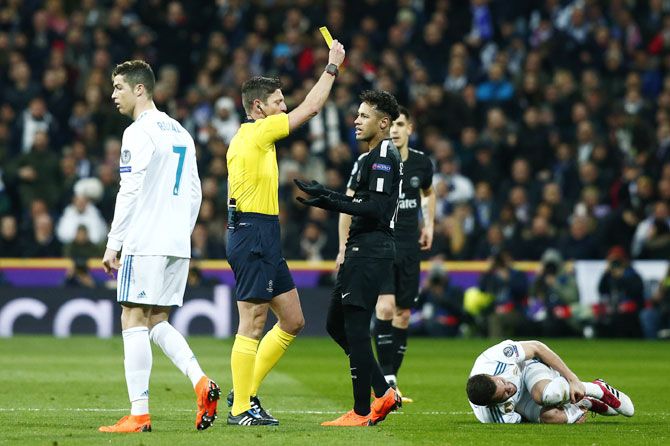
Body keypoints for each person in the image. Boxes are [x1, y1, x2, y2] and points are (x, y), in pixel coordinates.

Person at [224, 40, 346, 426]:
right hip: (251, 231)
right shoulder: (256, 133)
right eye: (278, 102)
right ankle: (241, 406)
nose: (284, 108)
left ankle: (242, 393)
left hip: (263, 232)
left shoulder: (253, 139)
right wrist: (331, 67)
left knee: (292, 319)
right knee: (253, 321)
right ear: (258, 107)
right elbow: (311, 109)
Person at [99, 60, 220, 433]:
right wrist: (180, 232)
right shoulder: (181, 131)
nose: (113, 94)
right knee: (156, 320)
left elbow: (130, 189)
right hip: (175, 241)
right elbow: (196, 192)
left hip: (146, 239)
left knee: (132, 319)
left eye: (118, 86)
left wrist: (114, 242)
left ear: (140, 89)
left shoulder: (139, 131)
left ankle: (139, 414)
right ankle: (201, 382)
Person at [295, 90, 403, 426]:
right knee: (335, 325)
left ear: (383, 123)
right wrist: (326, 194)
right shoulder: (371, 156)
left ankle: (360, 411)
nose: (355, 121)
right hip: (360, 249)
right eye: (356, 115)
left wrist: (328, 199)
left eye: (364, 116)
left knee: (356, 328)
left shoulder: (384, 152)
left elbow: (377, 208)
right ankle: (383, 391)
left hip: (371, 250)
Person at [340, 106, 434, 401]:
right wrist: (343, 245)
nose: (394, 130)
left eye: (401, 124)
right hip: (381, 245)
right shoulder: (369, 161)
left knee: (403, 314)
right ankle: (387, 381)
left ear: (410, 129)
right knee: (384, 309)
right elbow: (348, 200)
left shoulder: (421, 164)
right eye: (391, 125)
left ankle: (391, 377)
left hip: (409, 247)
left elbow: (429, 193)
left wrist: (429, 225)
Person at [466, 339, 635, 424]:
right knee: (551, 418)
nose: (510, 387)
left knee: (547, 396)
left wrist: (572, 378)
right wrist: (568, 415)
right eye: (504, 394)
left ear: (490, 376)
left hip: (529, 369)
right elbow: (523, 421)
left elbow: (537, 347)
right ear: (490, 404)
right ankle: (585, 403)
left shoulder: (492, 359)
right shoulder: (492, 417)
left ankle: (597, 389)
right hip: (523, 402)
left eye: (502, 382)